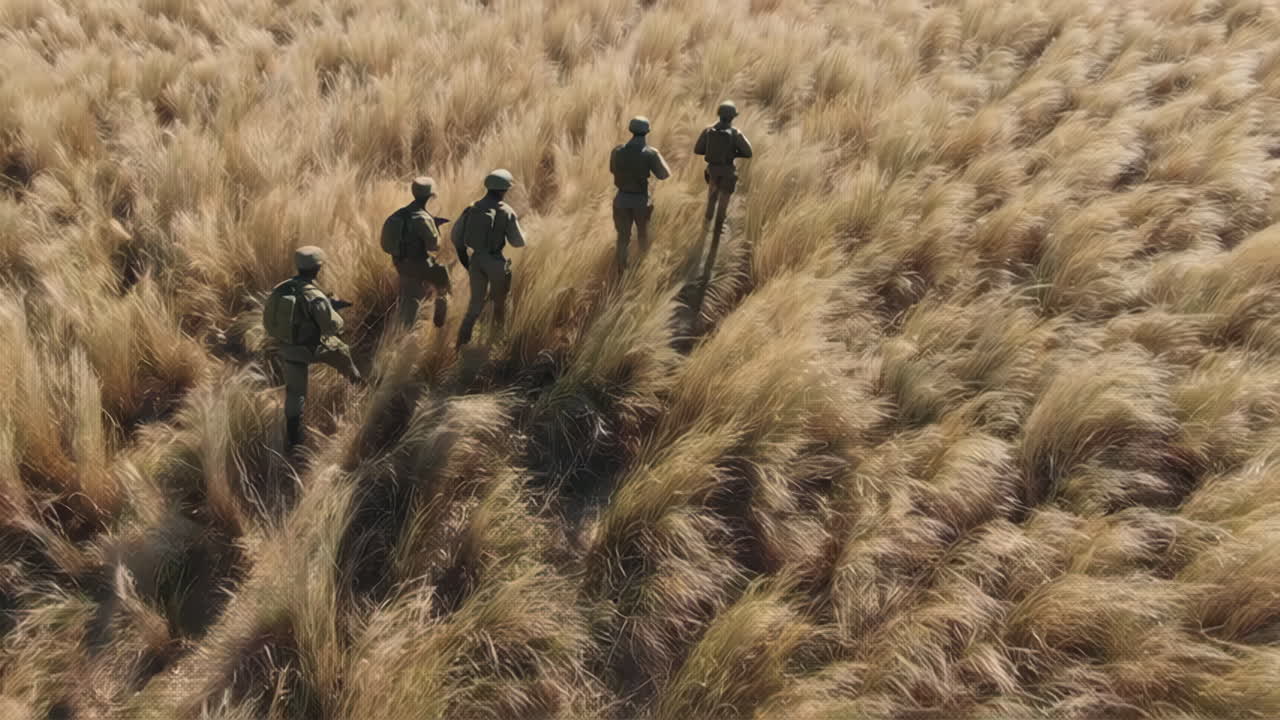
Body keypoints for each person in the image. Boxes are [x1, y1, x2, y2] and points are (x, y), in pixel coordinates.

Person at [267, 246, 364, 453]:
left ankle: (293, 438)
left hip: (288, 349)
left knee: (295, 394)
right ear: (318, 268)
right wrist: (332, 310)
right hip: (312, 348)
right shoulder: (315, 297)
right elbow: (332, 326)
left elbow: (272, 320)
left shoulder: (282, 288)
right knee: (342, 351)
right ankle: (358, 384)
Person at [452, 169, 527, 348]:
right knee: (499, 304)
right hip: (495, 262)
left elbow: (456, 237)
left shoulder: (471, 208)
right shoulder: (507, 211)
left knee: (475, 305)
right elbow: (518, 242)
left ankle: (460, 344)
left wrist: (466, 261)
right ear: (504, 190)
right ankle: (494, 344)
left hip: (476, 261)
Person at [381, 176, 451, 330]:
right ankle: (440, 310)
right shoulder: (423, 218)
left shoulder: (397, 215)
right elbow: (434, 246)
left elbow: (385, 245)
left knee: (410, 298)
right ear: (431, 196)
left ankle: (403, 334)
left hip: (400, 263)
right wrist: (436, 228)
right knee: (442, 276)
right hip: (419, 264)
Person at [693, 100, 753, 274]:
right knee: (724, 204)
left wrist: (712, 151)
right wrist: (734, 153)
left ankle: (705, 230)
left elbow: (698, 150)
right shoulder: (735, 133)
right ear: (732, 117)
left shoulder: (708, 131)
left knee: (711, 200)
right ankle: (717, 240)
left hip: (712, 171)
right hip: (728, 172)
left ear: (719, 114)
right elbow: (748, 152)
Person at [609, 116, 671, 273]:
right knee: (643, 235)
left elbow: (612, 169)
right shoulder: (650, 153)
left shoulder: (617, 151)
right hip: (641, 201)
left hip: (621, 199)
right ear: (647, 131)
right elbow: (664, 174)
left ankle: (621, 271)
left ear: (631, 130)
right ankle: (642, 269)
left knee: (622, 238)